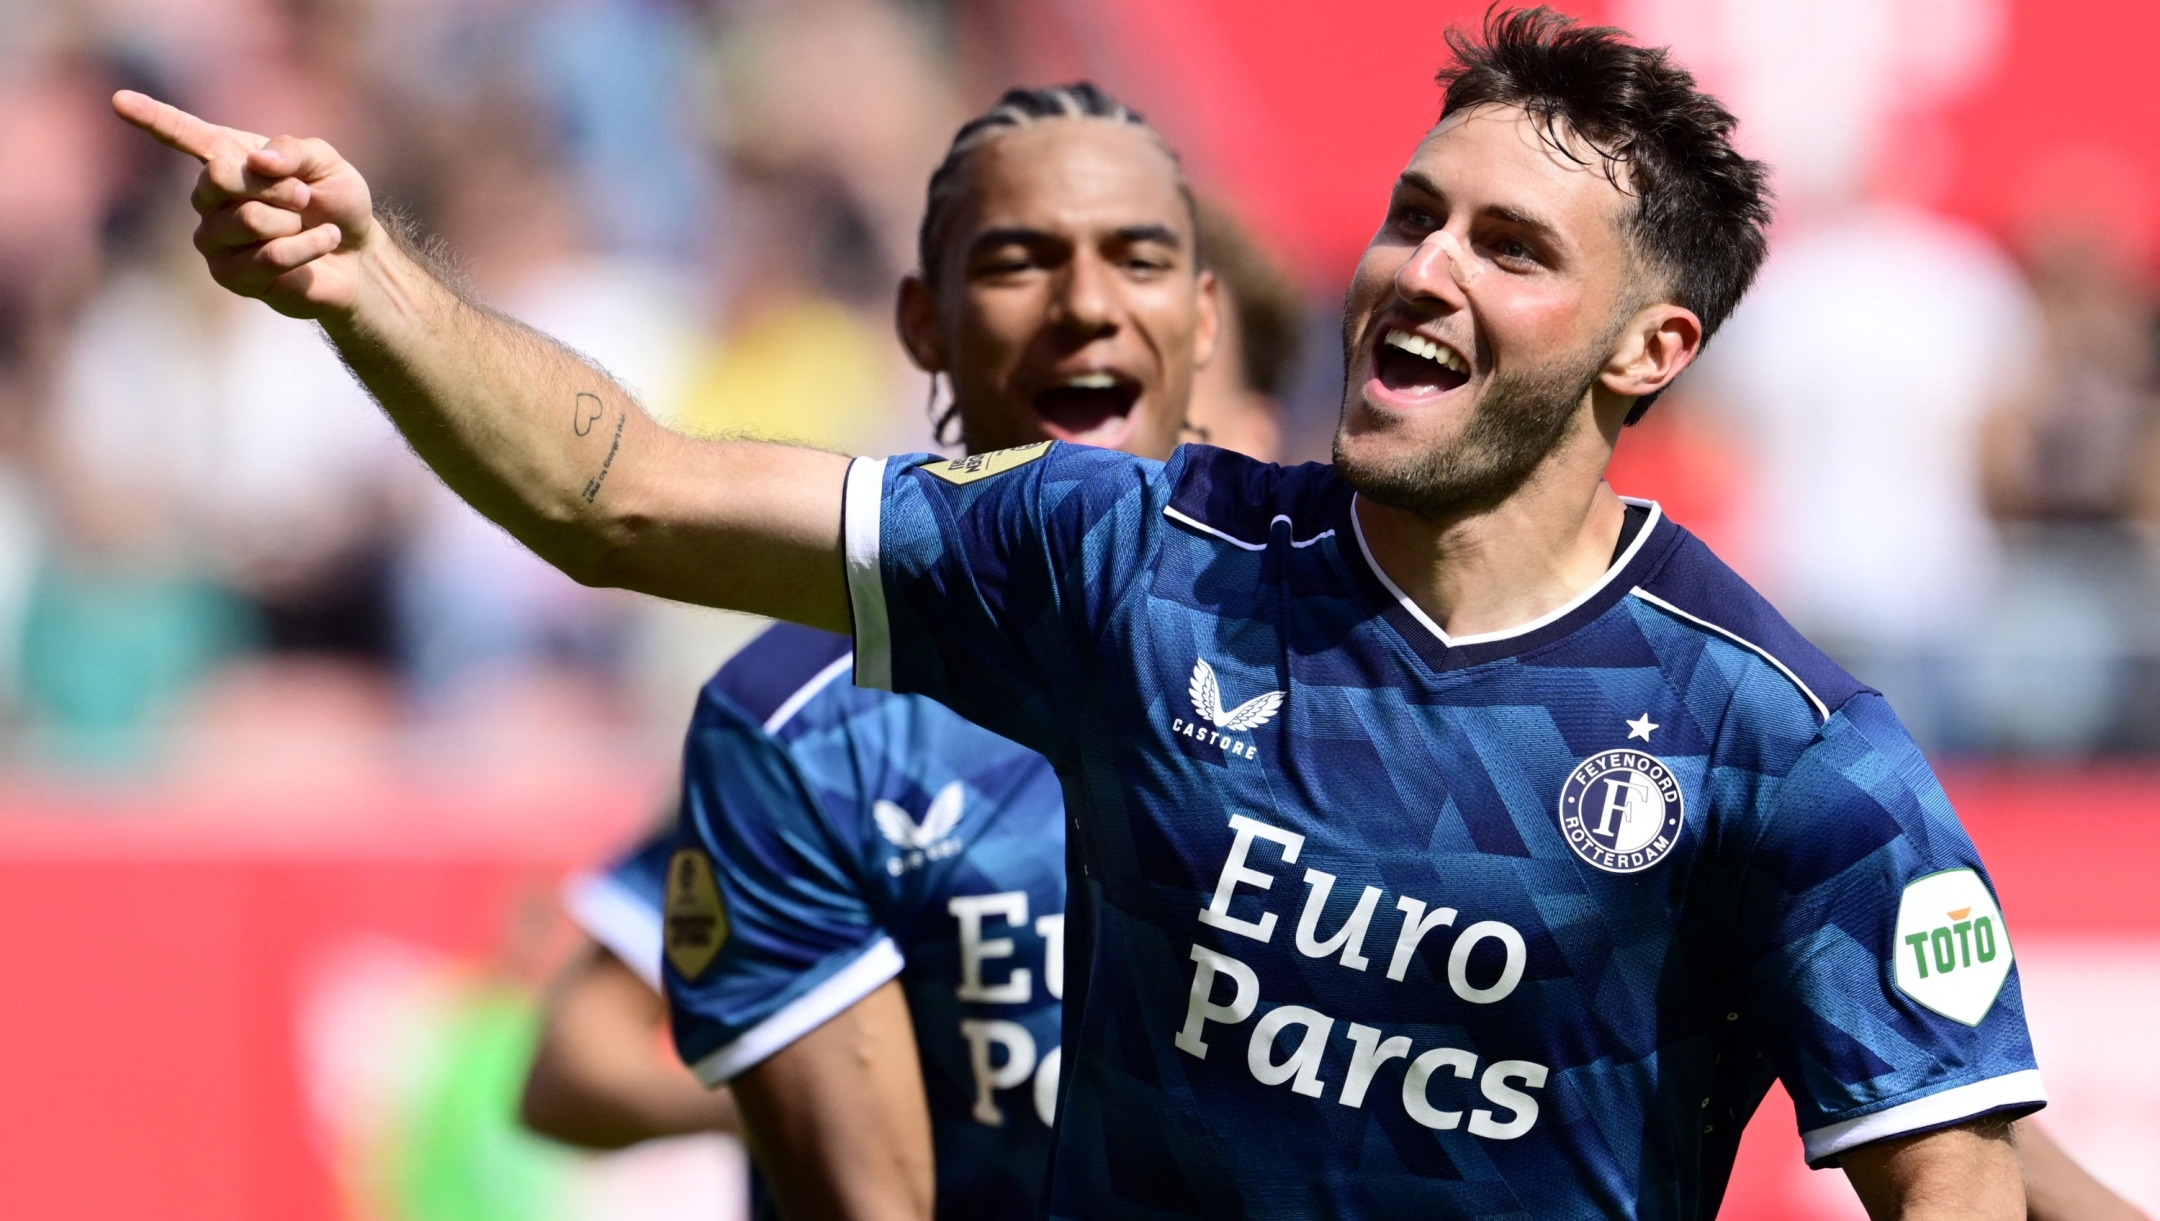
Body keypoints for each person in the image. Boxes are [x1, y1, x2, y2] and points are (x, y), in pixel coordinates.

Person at [116, 8, 2047, 1218]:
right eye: (1414, 209)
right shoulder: (1132, 557)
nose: (1418, 267)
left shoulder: (1779, 745)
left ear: (1656, 344)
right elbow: (609, 489)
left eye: (1510, 246)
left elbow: (1962, 1171)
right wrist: (364, 284)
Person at [524, 82, 1227, 1221]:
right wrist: (787, 1076)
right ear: (924, 325)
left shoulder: (1335, 666)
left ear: (1204, 322)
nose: (1086, 304)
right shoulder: (806, 714)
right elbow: (574, 1062)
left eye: (1137, 261)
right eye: (1019, 261)